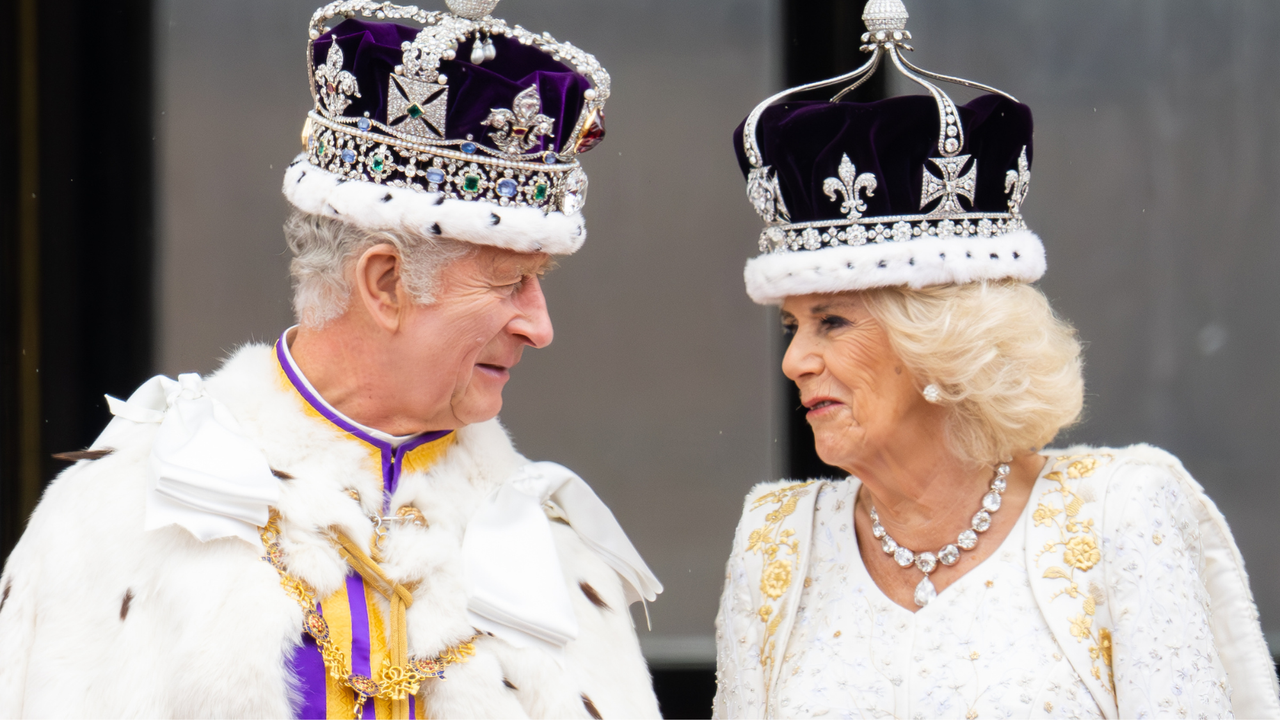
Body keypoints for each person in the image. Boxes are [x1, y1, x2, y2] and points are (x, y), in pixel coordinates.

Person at [0, 1, 662, 717]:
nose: (540, 325)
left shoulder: (554, 553)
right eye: (509, 283)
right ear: (384, 285)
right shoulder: (122, 515)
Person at [713, 2, 1279, 718]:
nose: (796, 360)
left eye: (831, 322)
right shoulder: (774, 542)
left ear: (942, 339)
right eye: (793, 326)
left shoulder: (1120, 513)